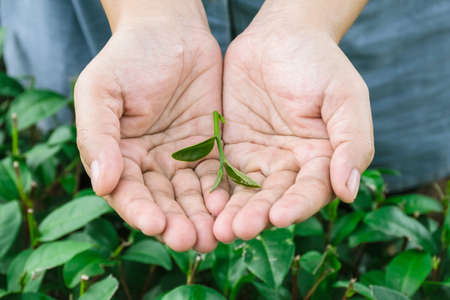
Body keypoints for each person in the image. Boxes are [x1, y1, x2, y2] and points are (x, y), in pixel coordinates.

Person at [2, 0, 449, 253]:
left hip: (388, 51)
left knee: (404, 226)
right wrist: (150, 16)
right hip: (103, 31)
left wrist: (306, 20)